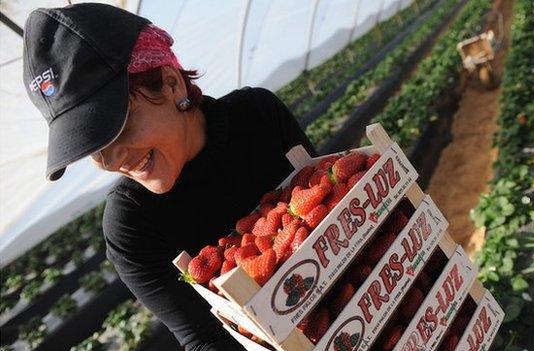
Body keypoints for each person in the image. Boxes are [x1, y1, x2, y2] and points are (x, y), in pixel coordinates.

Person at [23, 3, 316, 350]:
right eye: (91, 146)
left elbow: (335, 205)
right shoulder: (131, 225)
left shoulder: (257, 115)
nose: (113, 159)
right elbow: (204, 339)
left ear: (171, 84)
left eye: (118, 126)